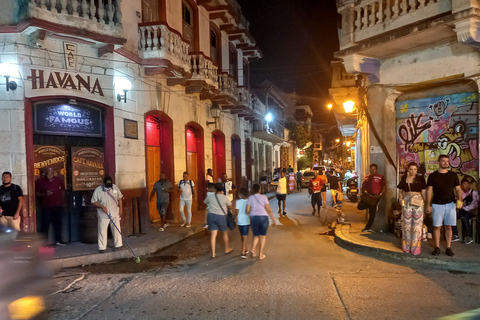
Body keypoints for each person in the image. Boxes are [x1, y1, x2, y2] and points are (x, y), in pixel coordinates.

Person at [426, 155, 462, 256]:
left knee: (448, 227)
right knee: (437, 227)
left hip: (450, 204)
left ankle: (448, 247)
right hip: (437, 204)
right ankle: (437, 247)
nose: (446, 163)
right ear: (439, 162)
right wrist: (428, 204)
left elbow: (458, 189)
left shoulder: (453, 175)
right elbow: (429, 190)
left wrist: (460, 200)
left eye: (447, 161)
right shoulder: (433, 176)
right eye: (443, 161)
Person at [397, 162, 426, 255]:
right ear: (408, 170)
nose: (413, 171)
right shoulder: (404, 178)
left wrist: (426, 202)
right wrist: (400, 199)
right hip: (407, 203)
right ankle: (406, 246)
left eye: (415, 169)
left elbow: (424, 191)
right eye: (411, 169)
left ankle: (415, 247)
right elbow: (400, 191)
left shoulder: (420, 179)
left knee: (417, 226)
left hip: (418, 203)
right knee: (407, 225)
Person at [91, 176, 123, 253]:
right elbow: (93, 202)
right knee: (102, 230)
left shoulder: (115, 188)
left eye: (110, 185)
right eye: (107, 185)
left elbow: (120, 198)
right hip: (103, 214)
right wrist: (101, 206)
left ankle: (118, 245)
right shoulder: (98, 190)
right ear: (103, 183)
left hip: (115, 212)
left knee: (116, 229)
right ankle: (102, 247)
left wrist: (121, 209)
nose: (109, 188)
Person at [36, 168, 66, 245]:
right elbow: (37, 193)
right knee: (45, 225)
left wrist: (63, 203)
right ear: (45, 173)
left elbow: (62, 191)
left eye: (51, 173)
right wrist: (45, 194)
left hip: (58, 205)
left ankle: (58, 240)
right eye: (48, 174)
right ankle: (43, 243)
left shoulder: (59, 180)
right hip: (46, 207)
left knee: (58, 224)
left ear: (54, 173)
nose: (50, 175)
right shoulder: (40, 181)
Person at [246, 184, 277, 260]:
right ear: (259, 190)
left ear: (253, 190)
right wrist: (273, 219)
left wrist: (252, 214)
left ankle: (253, 249)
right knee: (262, 236)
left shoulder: (250, 198)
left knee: (256, 235)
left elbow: (247, 211)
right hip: (263, 218)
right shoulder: (264, 197)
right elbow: (268, 209)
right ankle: (260, 254)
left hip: (253, 218)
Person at [204, 183, 233, 258]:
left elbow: (205, 202)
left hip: (211, 216)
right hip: (221, 217)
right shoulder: (225, 197)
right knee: (224, 233)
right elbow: (230, 206)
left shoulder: (210, 196)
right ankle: (227, 249)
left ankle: (213, 253)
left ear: (215, 189)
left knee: (213, 235)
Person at [358, 164, 386, 232]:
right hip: (367, 197)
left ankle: (368, 227)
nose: (373, 170)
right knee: (359, 207)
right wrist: (362, 192)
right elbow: (363, 185)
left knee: (372, 213)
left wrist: (380, 194)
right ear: (369, 169)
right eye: (371, 169)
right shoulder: (367, 177)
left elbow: (384, 186)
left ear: (376, 170)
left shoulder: (380, 177)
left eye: (374, 169)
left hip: (375, 197)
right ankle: (371, 205)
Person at [452, 177, 477, 245]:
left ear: (469, 185)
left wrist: (475, 209)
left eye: (466, 184)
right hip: (464, 210)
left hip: (472, 210)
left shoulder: (474, 193)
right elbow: (459, 202)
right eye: (463, 184)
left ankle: (469, 236)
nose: (465, 185)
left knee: (465, 218)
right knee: (452, 217)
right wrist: (457, 209)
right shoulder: (461, 193)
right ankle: (455, 235)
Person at [236, 188, 250, 258]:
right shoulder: (249, 202)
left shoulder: (238, 202)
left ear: (241, 194)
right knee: (245, 236)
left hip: (239, 221)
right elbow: (249, 211)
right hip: (246, 221)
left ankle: (246, 248)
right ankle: (243, 252)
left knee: (242, 236)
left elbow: (236, 212)